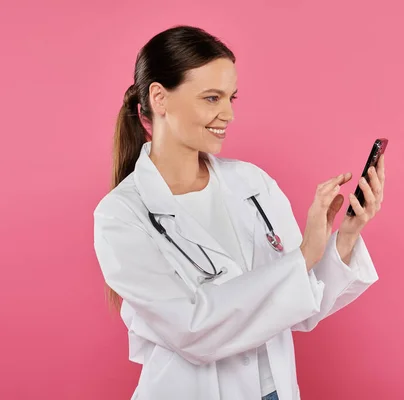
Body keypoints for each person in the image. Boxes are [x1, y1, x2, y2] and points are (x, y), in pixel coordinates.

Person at [93, 25, 385, 400]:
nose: (228, 114)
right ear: (159, 98)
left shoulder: (252, 183)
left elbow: (300, 305)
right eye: (212, 98)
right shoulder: (121, 216)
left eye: (232, 98)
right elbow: (193, 330)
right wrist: (303, 256)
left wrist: (345, 236)